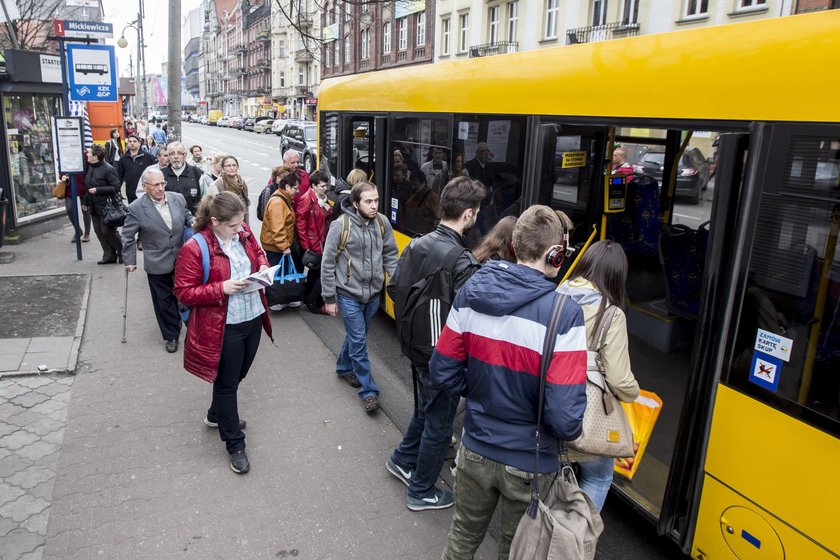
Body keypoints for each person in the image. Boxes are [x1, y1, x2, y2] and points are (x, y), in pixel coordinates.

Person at [430, 205, 587, 558]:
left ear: (514, 247)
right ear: (556, 254)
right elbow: (565, 419)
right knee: (518, 550)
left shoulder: (472, 292)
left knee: (461, 540)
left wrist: (480, 391)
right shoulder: (565, 314)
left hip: (475, 448)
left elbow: (443, 369)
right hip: (531, 461)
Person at [385, 176, 485, 512]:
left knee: (426, 410)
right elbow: (470, 323)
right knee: (440, 423)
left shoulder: (417, 243)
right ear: (468, 215)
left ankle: (402, 459)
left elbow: (394, 288)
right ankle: (421, 490)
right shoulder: (462, 262)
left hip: (414, 347)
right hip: (443, 357)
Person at [173, 191, 272, 475]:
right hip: (223, 326)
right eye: (233, 225)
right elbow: (183, 291)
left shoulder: (243, 233)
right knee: (227, 385)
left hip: (252, 317)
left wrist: (263, 266)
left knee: (238, 375)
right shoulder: (195, 247)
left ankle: (217, 414)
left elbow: (258, 251)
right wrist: (221, 288)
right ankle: (234, 444)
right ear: (215, 221)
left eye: (241, 223)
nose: (240, 229)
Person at [557, 240, 640, 512]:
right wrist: (634, 394)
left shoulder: (559, 292)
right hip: (586, 410)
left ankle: (544, 528)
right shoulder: (611, 313)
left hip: (552, 398)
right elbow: (619, 379)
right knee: (598, 475)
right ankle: (578, 538)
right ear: (616, 276)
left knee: (553, 468)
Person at [321, 181, 399, 413]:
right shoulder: (340, 225)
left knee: (358, 336)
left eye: (376, 200)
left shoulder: (382, 223)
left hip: (373, 294)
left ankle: (344, 367)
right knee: (359, 341)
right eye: (368, 201)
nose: (374, 205)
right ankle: (368, 391)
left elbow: (391, 256)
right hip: (348, 294)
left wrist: (395, 287)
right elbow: (327, 263)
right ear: (355, 204)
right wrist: (329, 298)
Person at [122, 168, 195, 353]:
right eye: (156, 185)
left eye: (162, 183)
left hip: (182, 257)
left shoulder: (177, 197)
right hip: (156, 260)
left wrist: (193, 221)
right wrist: (129, 260)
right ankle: (171, 335)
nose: (161, 188)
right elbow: (128, 236)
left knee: (187, 295)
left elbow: (186, 214)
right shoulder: (136, 208)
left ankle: (191, 327)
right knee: (163, 300)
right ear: (145, 186)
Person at [260, 166, 301, 309]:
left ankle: (283, 298)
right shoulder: (278, 202)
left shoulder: (284, 199)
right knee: (276, 273)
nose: (297, 191)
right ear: (287, 187)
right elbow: (277, 228)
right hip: (276, 246)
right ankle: (275, 300)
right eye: (295, 188)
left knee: (282, 273)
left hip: (277, 244)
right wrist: (284, 246)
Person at [296, 169, 332, 314]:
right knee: (318, 272)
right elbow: (300, 223)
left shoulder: (321, 198)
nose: (325, 188)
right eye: (322, 186)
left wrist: (327, 209)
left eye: (325, 185)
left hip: (321, 239)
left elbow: (325, 218)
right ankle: (314, 302)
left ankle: (310, 298)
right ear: (313, 186)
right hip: (314, 242)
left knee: (315, 272)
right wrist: (306, 245)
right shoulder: (307, 199)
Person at [83, 144, 123, 265]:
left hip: (107, 206)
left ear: (96, 156)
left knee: (107, 231)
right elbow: (88, 187)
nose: (87, 155)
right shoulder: (90, 167)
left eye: (89, 153)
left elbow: (116, 187)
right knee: (99, 231)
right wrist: (85, 202)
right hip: (94, 206)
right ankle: (109, 255)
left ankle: (123, 251)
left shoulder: (108, 169)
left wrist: (98, 190)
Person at [161, 142, 203, 215]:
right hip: (168, 219)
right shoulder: (161, 174)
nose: (176, 156)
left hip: (193, 220)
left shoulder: (197, 173)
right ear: (168, 156)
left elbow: (204, 198)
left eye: (179, 153)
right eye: (172, 153)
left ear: (185, 155)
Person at [208, 156, 251, 225]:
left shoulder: (242, 183)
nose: (232, 168)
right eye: (228, 166)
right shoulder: (216, 185)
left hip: (242, 223)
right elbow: (212, 209)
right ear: (223, 168)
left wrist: (247, 226)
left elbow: (246, 207)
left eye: (234, 165)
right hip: (225, 225)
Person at [465, 143, 497, 234]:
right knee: (469, 231)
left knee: (485, 232)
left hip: (485, 205)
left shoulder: (490, 167)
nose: (486, 153)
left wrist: (491, 200)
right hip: (473, 204)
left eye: (487, 151)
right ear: (477, 153)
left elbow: (492, 185)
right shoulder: (470, 165)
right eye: (483, 151)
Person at [116, 134, 155, 204]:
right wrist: (117, 190)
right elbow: (119, 176)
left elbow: (154, 172)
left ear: (139, 143)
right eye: (130, 141)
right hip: (130, 192)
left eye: (134, 141)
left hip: (145, 191)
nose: (132, 143)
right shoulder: (123, 159)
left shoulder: (148, 157)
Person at [404, 170, 441, 235]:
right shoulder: (412, 196)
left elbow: (438, 219)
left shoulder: (432, 198)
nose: (413, 187)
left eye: (416, 185)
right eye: (412, 184)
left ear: (423, 183)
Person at [59, 171, 91, 243]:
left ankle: (87, 233)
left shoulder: (85, 159)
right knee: (69, 208)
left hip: (84, 184)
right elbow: (61, 167)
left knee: (85, 209)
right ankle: (78, 230)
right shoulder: (65, 158)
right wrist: (62, 176)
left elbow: (89, 167)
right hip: (70, 185)